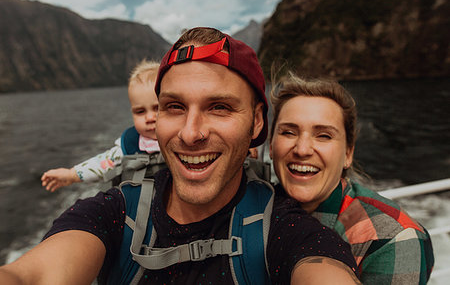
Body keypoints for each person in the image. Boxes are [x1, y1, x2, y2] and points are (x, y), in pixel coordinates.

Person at [0, 27, 361, 284]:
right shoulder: (114, 214)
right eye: (173, 107)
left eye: (219, 107)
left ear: (256, 123)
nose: (191, 133)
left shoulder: (283, 228)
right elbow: (30, 275)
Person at [269, 72, 435, 284]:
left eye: (324, 136)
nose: (302, 149)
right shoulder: (251, 210)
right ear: (271, 146)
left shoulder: (393, 239)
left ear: (348, 154)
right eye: (289, 132)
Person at [41, 60, 161, 192]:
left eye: (158, 108)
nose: (149, 118)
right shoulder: (129, 145)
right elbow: (102, 164)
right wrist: (71, 175)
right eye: (140, 111)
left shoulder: (184, 140)